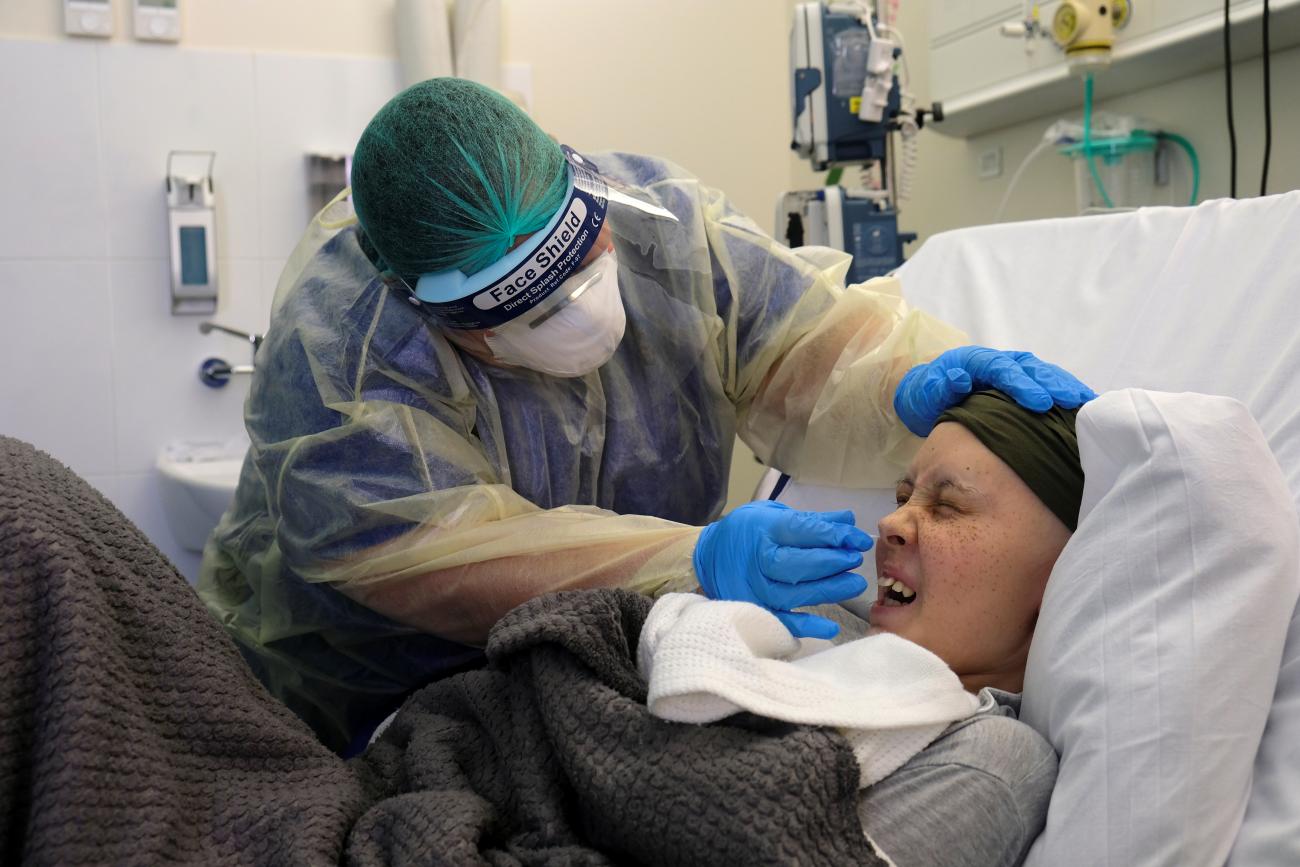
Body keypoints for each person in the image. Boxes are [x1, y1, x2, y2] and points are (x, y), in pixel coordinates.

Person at [196, 77, 1094, 753]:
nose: (583, 312)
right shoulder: (348, 356)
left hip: (596, 694)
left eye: (584, 260)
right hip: (361, 708)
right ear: (425, 310)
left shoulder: (661, 225)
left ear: (584, 187)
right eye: (528, 313)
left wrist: (900, 381)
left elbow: (808, 350)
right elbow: (447, 567)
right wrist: (686, 564)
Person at [857, 389, 1084, 866]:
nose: (890, 521)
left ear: (1059, 577)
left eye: (947, 507)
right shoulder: (812, 620)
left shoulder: (991, 761)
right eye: (902, 497)